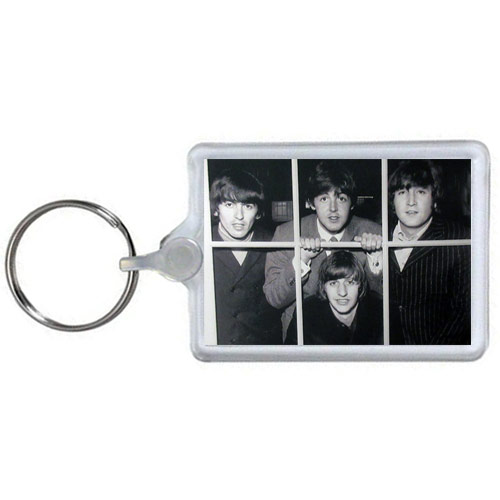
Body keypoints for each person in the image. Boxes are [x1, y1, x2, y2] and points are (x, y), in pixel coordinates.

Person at [264, 161, 383, 337]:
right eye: (324, 199)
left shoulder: (372, 233)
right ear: (311, 203)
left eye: (341, 198)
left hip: (357, 338)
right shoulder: (286, 234)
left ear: (352, 203)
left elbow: (384, 302)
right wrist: (300, 261)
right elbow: (274, 298)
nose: (333, 208)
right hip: (303, 337)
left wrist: (375, 266)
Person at [388, 160, 471, 345]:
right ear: (392, 200)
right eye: (402, 192)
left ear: (434, 199)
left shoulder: (459, 238)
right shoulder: (379, 234)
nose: (411, 201)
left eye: (421, 192)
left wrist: (431, 354)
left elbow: (464, 311)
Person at [210, 168, 282, 345]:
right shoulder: (203, 243)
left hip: (261, 349)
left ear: (258, 212)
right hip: (215, 347)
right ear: (216, 209)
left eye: (248, 206)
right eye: (229, 205)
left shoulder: (273, 242)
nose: (239, 216)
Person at [285, 251, 383, 345]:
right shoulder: (307, 313)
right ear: (323, 287)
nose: (342, 292)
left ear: (360, 285)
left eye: (350, 282)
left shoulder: (380, 310)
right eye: (333, 283)